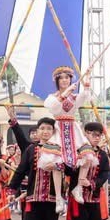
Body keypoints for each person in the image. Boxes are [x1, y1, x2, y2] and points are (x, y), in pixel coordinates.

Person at [9, 117, 64, 220]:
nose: (45, 131)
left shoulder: (60, 149)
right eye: (42, 128)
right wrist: (12, 189)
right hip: (33, 198)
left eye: (49, 129)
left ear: (53, 132)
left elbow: (70, 168)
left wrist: (57, 166)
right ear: (38, 131)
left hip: (52, 200)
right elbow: (21, 170)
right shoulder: (31, 149)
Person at [37, 66, 97, 210]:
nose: (64, 80)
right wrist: (64, 94)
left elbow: (86, 97)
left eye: (67, 78)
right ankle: (59, 197)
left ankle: (78, 187)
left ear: (70, 80)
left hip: (73, 129)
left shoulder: (74, 97)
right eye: (61, 78)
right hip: (59, 129)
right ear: (57, 81)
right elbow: (53, 108)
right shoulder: (53, 97)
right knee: (56, 162)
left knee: (87, 155)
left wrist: (87, 80)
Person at [67, 121, 110, 220]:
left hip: (94, 199)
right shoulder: (75, 152)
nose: (96, 138)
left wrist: (92, 184)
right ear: (85, 134)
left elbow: (104, 174)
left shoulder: (103, 155)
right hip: (77, 200)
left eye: (99, 135)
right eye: (93, 134)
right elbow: (68, 170)